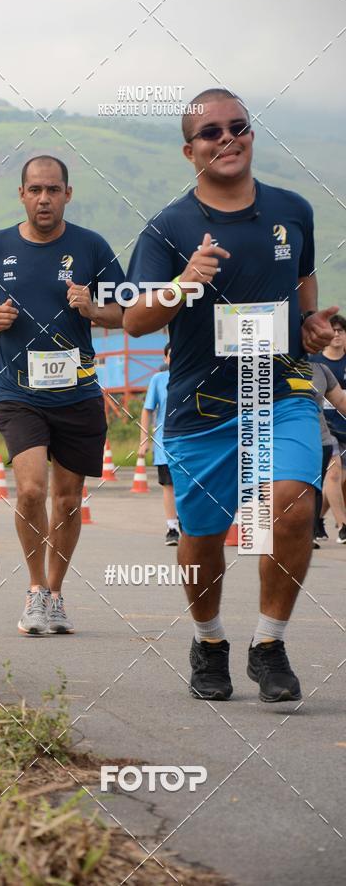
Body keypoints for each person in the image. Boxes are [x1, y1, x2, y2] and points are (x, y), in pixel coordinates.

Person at [124, 88, 337, 703]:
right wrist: (184, 282)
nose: (227, 139)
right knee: (202, 537)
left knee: (292, 503)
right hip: (202, 404)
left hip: (281, 389)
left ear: (251, 134)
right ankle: (209, 641)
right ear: (189, 150)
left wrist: (309, 322)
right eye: (211, 132)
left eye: (237, 127)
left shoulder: (293, 209)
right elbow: (134, 320)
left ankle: (269, 644)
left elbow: (303, 279)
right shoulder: (168, 227)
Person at [0, 155, 125, 636]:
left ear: (67, 195)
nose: (43, 198)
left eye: (53, 190)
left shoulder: (92, 247)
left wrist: (93, 309)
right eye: (35, 189)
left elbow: (127, 312)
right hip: (19, 391)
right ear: (21, 194)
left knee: (69, 500)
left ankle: (55, 595)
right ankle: (35, 590)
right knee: (32, 489)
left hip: (78, 392)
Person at [137, 342, 180, 545]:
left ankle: (188, 524)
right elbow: (147, 410)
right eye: (171, 355)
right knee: (169, 486)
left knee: (189, 486)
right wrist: (144, 441)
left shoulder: (192, 376)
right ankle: (172, 528)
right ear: (165, 359)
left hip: (189, 443)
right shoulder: (158, 379)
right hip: (165, 444)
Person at [309, 314, 346, 535]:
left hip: (339, 431)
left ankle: (316, 521)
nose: (337, 334)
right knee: (332, 475)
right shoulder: (315, 363)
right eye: (334, 330)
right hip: (324, 431)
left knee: (338, 482)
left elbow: (341, 401)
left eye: (342, 330)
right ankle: (343, 525)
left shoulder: (322, 370)